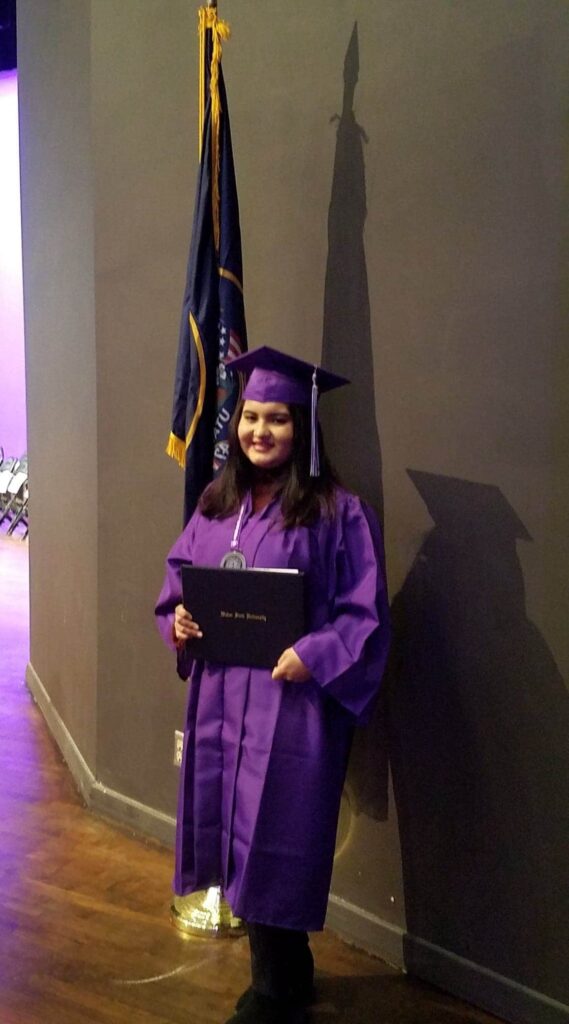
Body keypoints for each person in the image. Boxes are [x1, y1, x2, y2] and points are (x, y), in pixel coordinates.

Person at [155, 346, 390, 1024]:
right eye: (251, 417)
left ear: (303, 426)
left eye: (278, 420)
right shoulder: (216, 502)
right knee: (231, 830)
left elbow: (364, 613)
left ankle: (277, 990)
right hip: (222, 698)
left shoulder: (338, 513)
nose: (260, 431)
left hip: (290, 706)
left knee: (276, 838)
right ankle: (288, 975)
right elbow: (179, 579)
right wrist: (181, 618)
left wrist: (314, 654)